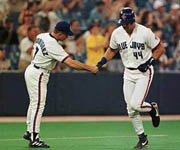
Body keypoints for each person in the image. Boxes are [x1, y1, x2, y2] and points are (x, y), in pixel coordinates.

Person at [95, 7, 165, 149]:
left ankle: (152, 109)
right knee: (130, 109)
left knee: (136, 104)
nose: (124, 25)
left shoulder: (145, 32)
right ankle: (142, 138)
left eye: (126, 23)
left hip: (144, 72)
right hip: (128, 72)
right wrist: (103, 60)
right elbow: (112, 49)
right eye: (122, 22)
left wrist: (149, 62)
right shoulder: (117, 32)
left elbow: (160, 48)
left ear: (133, 21)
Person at [23, 21, 97, 148]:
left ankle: (29, 131)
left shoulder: (42, 35)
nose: (67, 37)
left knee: (34, 103)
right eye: (66, 34)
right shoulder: (53, 45)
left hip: (32, 68)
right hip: (39, 73)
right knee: (38, 105)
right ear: (60, 33)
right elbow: (71, 63)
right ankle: (34, 137)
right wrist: (89, 68)